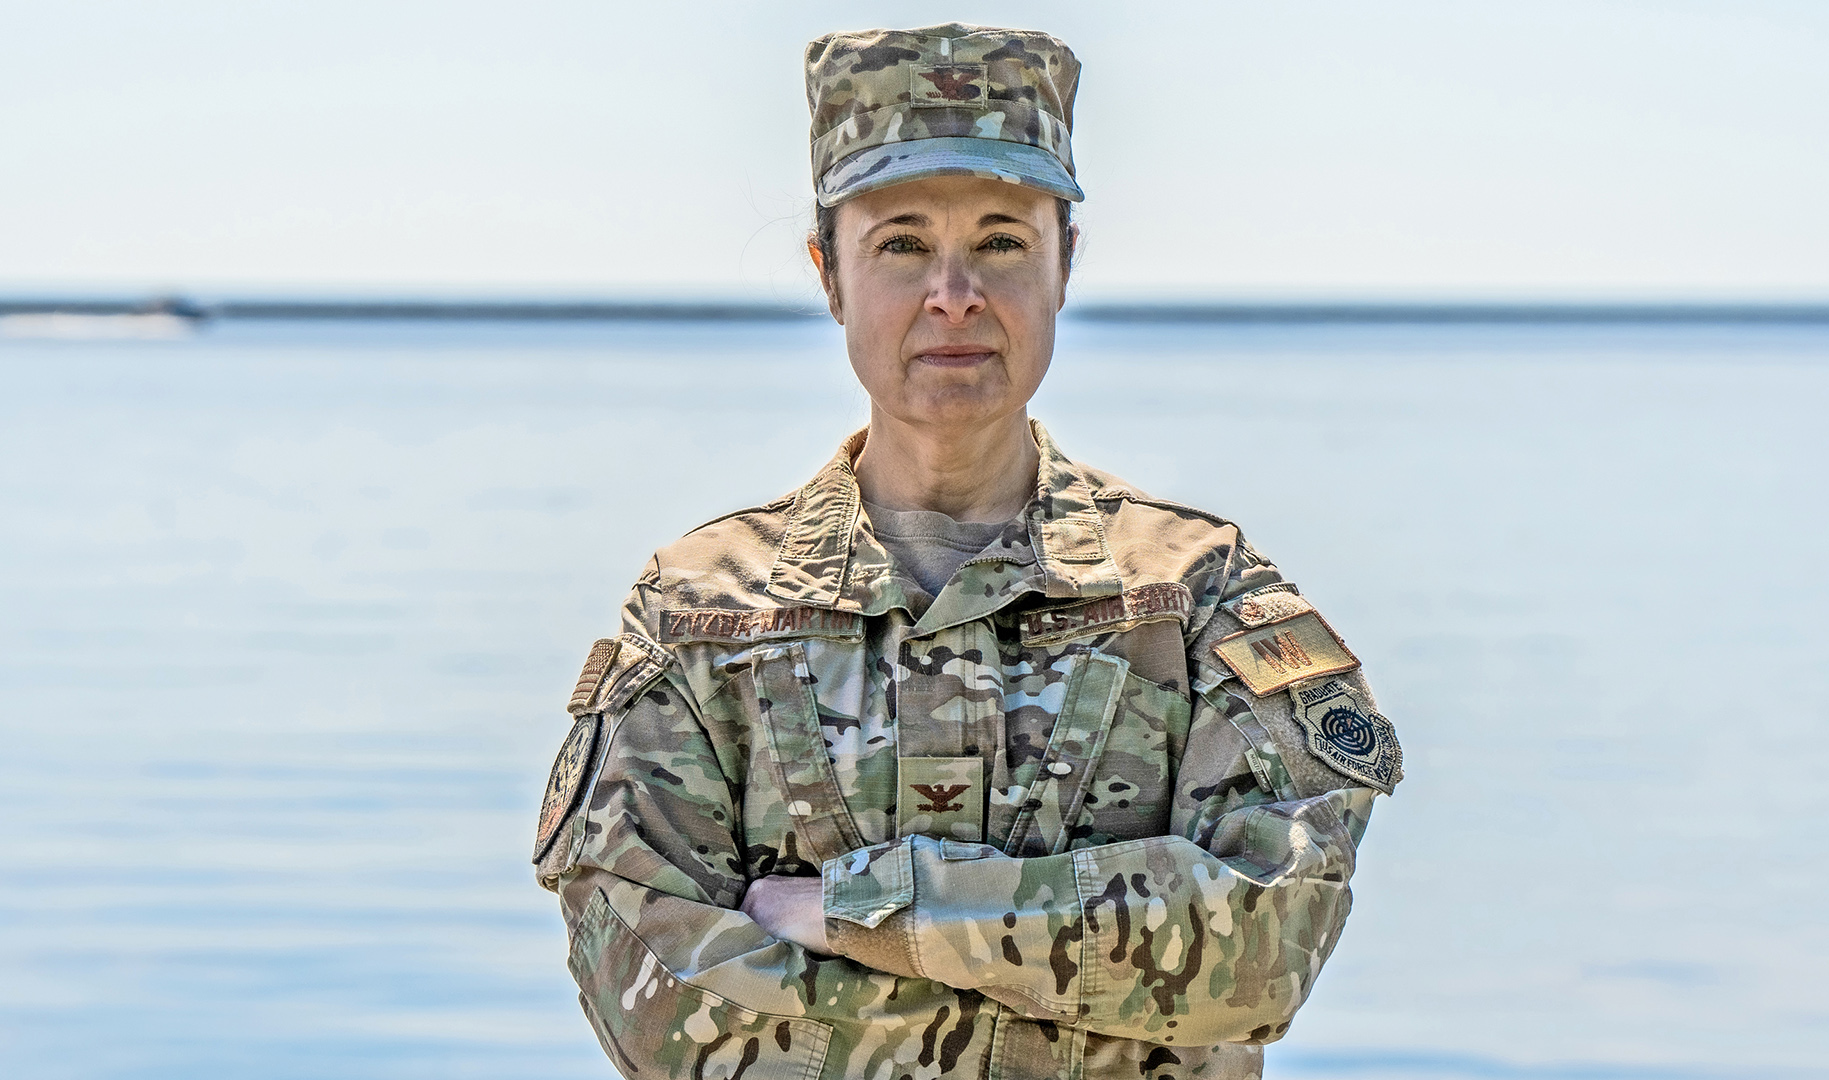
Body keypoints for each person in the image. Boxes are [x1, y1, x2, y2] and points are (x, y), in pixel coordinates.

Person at [532, 22, 1402, 1080]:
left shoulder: (1201, 596)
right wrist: (1085, 1001)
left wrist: (865, 913)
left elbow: (1267, 949)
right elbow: (655, 1004)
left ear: (1063, 264)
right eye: (901, 244)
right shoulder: (701, 613)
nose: (955, 295)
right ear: (830, 276)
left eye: (1001, 241)